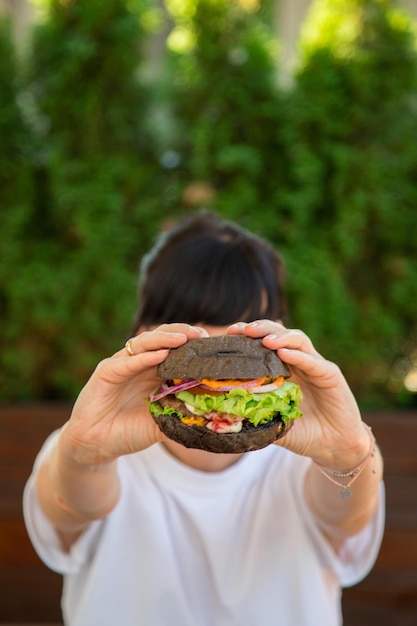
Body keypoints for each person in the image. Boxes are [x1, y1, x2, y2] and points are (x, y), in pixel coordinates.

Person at [23, 210, 384, 626]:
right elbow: (70, 512)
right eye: (190, 323)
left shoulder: (314, 450)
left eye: (243, 324)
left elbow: (345, 519)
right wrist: (83, 454)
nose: (218, 351)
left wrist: (347, 455)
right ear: (141, 330)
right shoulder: (89, 441)